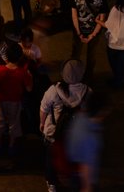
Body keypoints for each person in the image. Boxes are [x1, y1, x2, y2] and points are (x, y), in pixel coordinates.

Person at [40, 59, 90, 192]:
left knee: (51, 158)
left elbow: (44, 109)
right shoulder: (87, 92)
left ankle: (52, 183)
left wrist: (42, 123)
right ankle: (73, 180)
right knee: (71, 159)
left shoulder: (54, 90)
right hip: (75, 135)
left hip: (53, 132)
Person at [0, 42, 33, 161]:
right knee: (13, 124)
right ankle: (11, 146)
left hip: (1, 100)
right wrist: (30, 77)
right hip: (15, 101)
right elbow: (29, 89)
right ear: (20, 57)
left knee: (0, 122)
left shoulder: (0, 70)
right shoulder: (22, 72)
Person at [66, 91, 108, 192]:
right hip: (83, 178)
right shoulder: (89, 138)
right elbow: (85, 167)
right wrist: (87, 187)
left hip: (74, 172)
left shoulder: (79, 117)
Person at [71, 0, 108, 84]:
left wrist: (79, 33)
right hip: (94, 32)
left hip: (79, 30)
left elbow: (74, 16)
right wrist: (92, 35)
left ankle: (73, 76)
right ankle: (88, 78)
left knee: (75, 54)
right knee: (91, 56)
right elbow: (102, 19)